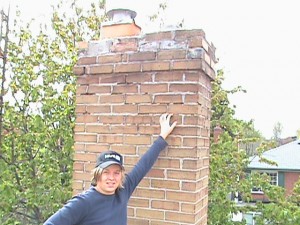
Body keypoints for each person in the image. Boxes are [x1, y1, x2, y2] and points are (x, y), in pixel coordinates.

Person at [44, 113, 177, 225]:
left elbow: (143, 165)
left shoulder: (122, 191)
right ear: (98, 175)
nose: (111, 178)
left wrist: (162, 136)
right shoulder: (84, 202)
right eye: (106, 172)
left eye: (116, 173)